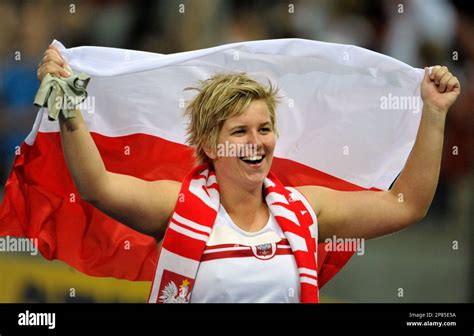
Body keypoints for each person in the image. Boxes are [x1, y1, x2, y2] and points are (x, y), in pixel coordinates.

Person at [36, 44, 461, 303]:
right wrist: (67, 106)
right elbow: (96, 186)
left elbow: (405, 205)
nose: (256, 142)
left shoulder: (306, 208)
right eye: (239, 131)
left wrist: (435, 114)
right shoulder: (177, 204)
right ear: (209, 145)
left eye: (265, 129)